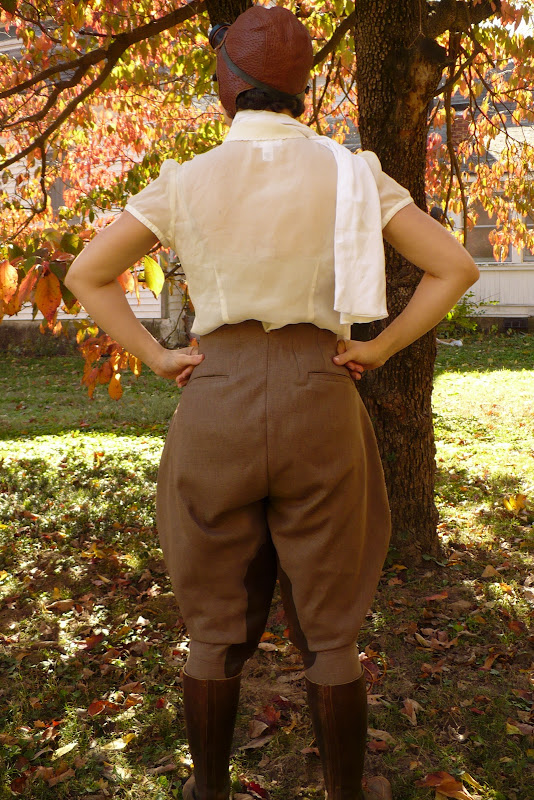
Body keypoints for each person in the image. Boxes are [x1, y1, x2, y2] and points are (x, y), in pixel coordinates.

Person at [65, 7, 479, 800]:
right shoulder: (352, 173)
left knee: (213, 628)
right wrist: (382, 347)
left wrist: (157, 356)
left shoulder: (187, 180)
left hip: (216, 397)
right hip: (320, 392)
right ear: (301, 87)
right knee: (331, 633)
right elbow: (454, 267)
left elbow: (88, 273)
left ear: (228, 83)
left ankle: (209, 791)